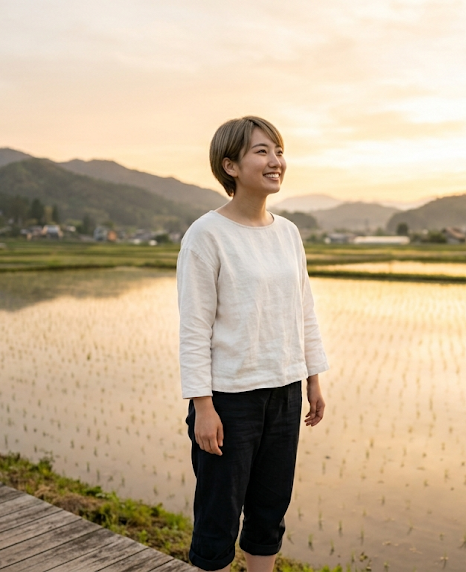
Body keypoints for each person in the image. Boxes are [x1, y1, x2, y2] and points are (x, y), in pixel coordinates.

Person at [177, 116, 329, 572]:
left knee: (268, 513)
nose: (276, 161)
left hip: (284, 392)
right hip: (229, 400)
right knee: (218, 517)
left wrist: (313, 379)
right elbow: (193, 328)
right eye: (262, 151)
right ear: (230, 166)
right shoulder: (206, 235)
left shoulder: (288, 233)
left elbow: (304, 309)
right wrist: (202, 406)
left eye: (278, 151)